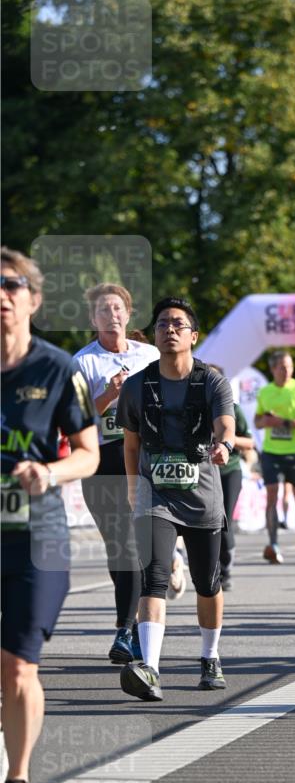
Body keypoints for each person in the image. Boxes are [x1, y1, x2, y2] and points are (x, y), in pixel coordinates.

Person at [1, 247, 99, 783]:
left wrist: (49, 472)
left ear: (33, 300)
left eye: (10, 285)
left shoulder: (58, 369)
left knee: (18, 666)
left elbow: (88, 454)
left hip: (38, 537)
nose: (1, 295)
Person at [115, 297, 235, 701]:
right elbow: (131, 443)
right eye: (163, 324)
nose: (169, 329)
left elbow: (225, 423)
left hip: (202, 496)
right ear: (154, 335)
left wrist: (225, 445)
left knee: (207, 582)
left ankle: (210, 657)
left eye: (178, 324)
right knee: (154, 577)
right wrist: (133, 486)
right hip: (155, 495)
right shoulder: (137, 386)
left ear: (193, 336)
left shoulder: (212, 381)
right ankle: (150, 668)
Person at [74, 283, 160, 664]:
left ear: (128, 314)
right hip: (103, 461)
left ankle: (126, 631)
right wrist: (110, 395)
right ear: (93, 319)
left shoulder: (150, 355)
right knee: (118, 548)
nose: (111, 315)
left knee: (133, 547)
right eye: (103, 310)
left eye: (117, 308)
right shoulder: (82, 362)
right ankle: (134, 623)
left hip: (143, 459)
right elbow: (75, 417)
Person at [254, 352, 295, 563]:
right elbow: (257, 421)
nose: (287, 370)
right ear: (273, 369)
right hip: (272, 452)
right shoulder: (265, 392)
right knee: (272, 496)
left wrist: (285, 423)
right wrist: (265, 422)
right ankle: (273, 541)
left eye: (289, 366)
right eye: (282, 367)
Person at [208, 364, 255, 591]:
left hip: (229, 471)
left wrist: (227, 439)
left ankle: (225, 569)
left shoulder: (233, 409)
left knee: (223, 518)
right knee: (206, 521)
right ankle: (209, 566)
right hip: (203, 473)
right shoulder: (193, 408)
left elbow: (250, 442)